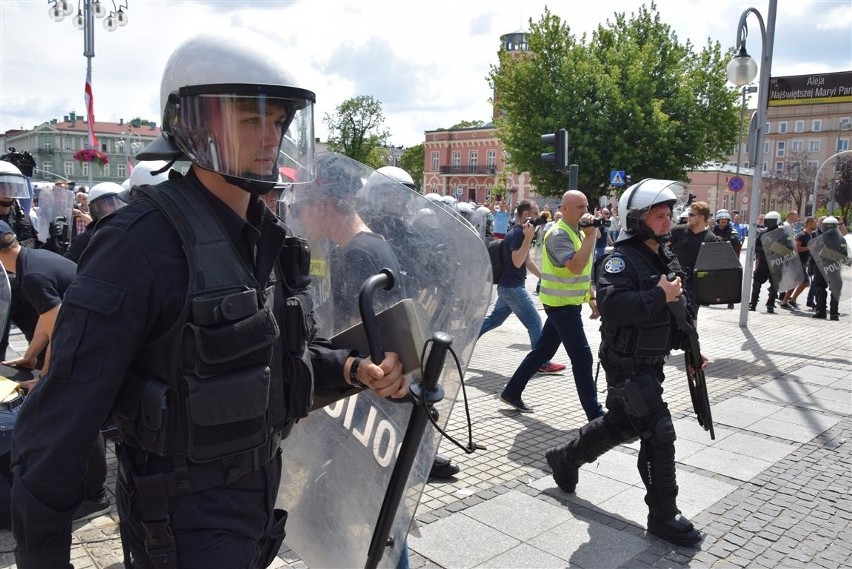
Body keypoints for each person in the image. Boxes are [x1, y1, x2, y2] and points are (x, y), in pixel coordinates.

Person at [10, 31, 407, 569]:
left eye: (279, 121)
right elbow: (60, 423)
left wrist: (356, 368)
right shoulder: (140, 243)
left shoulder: (268, 238)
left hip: (257, 506)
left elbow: (276, 359)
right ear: (194, 125)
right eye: (251, 120)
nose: (271, 137)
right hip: (179, 527)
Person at [544, 179, 704, 547]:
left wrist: (692, 346)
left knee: (621, 424)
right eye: (660, 215)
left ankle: (566, 459)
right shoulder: (619, 258)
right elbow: (614, 308)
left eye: (669, 214)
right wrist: (657, 294)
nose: (669, 221)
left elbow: (680, 306)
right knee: (658, 431)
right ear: (636, 219)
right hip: (626, 364)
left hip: (653, 362)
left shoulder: (664, 255)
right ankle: (663, 514)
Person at [498, 190, 603, 419]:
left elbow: (584, 271)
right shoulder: (558, 234)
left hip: (568, 303)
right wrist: (592, 236)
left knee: (542, 352)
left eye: (586, 207)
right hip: (560, 305)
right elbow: (574, 266)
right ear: (563, 209)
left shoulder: (579, 233)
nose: (585, 212)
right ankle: (595, 415)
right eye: (579, 207)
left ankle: (511, 391)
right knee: (582, 357)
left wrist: (591, 297)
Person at [479, 200, 566, 376]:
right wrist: (527, 238)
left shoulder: (520, 234)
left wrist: (544, 278)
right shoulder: (518, 234)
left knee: (493, 321)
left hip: (507, 287)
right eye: (536, 213)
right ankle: (542, 362)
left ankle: (464, 338)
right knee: (535, 322)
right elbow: (517, 261)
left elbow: (527, 261)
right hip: (512, 288)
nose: (539, 215)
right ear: (526, 215)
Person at [667, 201, 715, 317]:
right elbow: (663, 248)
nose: (688, 217)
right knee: (670, 316)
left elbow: (711, 264)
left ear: (702, 217)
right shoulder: (678, 231)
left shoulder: (710, 238)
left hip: (695, 286)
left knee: (690, 317)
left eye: (692, 215)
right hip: (674, 280)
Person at [64, 182, 128, 263]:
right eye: (111, 203)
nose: (118, 207)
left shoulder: (129, 234)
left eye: (120, 203)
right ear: (96, 209)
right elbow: (67, 267)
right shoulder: (86, 240)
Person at [779, 216, 816, 311]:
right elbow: (797, 248)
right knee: (805, 282)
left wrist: (807, 260)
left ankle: (787, 301)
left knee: (797, 282)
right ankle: (789, 300)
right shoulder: (802, 235)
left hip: (802, 262)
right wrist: (809, 248)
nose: (816, 224)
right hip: (797, 262)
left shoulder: (809, 235)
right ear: (808, 223)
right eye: (814, 222)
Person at [749, 210, 782, 313]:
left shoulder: (782, 233)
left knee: (775, 283)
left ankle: (771, 304)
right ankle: (753, 303)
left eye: (772, 221)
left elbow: (788, 247)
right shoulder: (762, 232)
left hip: (776, 261)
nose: (769, 222)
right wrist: (764, 251)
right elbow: (756, 246)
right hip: (763, 261)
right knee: (757, 282)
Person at [711, 209, 742, 309]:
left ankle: (730, 301)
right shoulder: (714, 229)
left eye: (725, 220)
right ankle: (710, 298)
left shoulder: (732, 229)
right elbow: (707, 238)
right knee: (713, 278)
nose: (723, 222)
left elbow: (735, 239)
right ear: (718, 220)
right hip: (716, 257)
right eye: (721, 220)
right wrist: (715, 237)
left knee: (730, 280)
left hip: (728, 258)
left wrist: (723, 239)